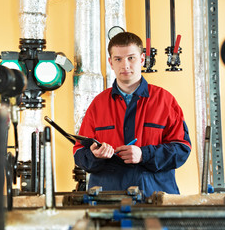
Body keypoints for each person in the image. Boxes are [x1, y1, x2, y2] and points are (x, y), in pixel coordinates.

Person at [73, 32, 191, 197]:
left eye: (131, 58)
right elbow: (79, 153)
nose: (125, 65)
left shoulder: (164, 100)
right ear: (111, 62)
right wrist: (95, 156)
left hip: (154, 197)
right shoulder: (98, 104)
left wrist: (144, 154)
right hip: (107, 200)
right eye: (118, 59)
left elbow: (182, 148)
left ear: (142, 59)